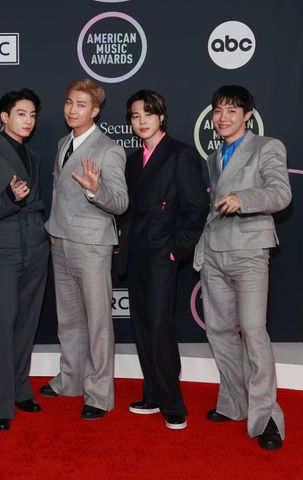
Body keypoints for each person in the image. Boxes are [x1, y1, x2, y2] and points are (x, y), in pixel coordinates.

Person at [193, 85, 291, 450]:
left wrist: (243, 198)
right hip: (215, 252)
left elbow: (281, 194)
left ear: (248, 115)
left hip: (250, 252)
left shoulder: (268, 147)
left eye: (232, 110)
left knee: (252, 330)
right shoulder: (214, 156)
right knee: (219, 331)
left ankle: (266, 418)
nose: (223, 118)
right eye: (218, 110)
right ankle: (234, 403)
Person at [119, 89, 208, 430]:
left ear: (162, 117)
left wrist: (175, 250)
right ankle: (153, 394)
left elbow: (196, 209)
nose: (141, 121)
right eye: (135, 116)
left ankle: (173, 404)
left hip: (161, 254)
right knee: (142, 326)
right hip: (135, 253)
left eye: (148, 114)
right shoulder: (131, 161)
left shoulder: (180, 154)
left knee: (159, 326)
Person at [42, 79, 128, 419]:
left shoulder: (109, 149)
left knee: (97, 322)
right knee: (69, 320)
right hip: (60, 240)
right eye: (69, 102)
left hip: (92, 245)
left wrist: (95, 191)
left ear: (95, 111)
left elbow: (120, 202)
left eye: (80, 105)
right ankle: (71, 380)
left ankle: (99, 394)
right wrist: (52, 229)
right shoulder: (63, 142)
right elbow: (57, 190)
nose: (72, 109)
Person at [0, 89, 49, 431]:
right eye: (21, 114)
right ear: (4, 117)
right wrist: (10, 197)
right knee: (5, 324)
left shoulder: (33, 155)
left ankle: (20, 390)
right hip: (5, 247)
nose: (28, 120)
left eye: (32, 115)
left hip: (36, 245)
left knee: (27, 322)